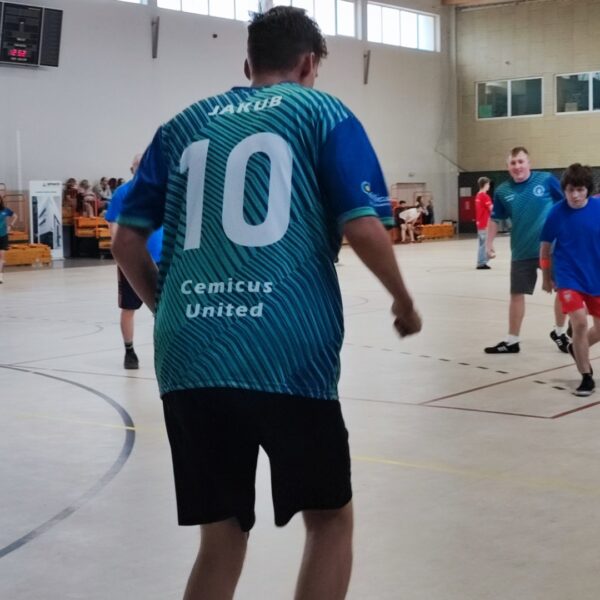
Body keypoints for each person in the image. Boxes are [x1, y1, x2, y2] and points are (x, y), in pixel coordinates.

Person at [112, 7, 422, 600]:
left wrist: (169, 307)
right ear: (308, 64)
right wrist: (403, 301)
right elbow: (361, 225)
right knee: (329, 520)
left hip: (189, 355)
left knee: (220, 538)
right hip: (286, 350)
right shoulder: (323, 113)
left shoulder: (181, 125)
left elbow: (126, 241)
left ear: (247, 64)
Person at [484, 146, 568, 354]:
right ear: (508, 167)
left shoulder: (546, 180)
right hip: (521, 251)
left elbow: (566, 205)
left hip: (552, 250)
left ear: (529, 163)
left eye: (521, 161)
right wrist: (488, 244)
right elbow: (495, 219)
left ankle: (559, 332)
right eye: (513, 163)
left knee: (563, 289)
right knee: (516, 294)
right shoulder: (503, 191)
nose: (517, 166)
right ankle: (512, 341)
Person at [540, 163, 600, 396]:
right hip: (568, 277)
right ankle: (586, 376)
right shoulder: (556, 213)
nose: (575, 195)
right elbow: (545, 248)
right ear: (564, 190)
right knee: (580, 323)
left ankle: (576, 348)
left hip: (595, 276)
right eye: (570, 190)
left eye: (580, 190)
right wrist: (546, 277)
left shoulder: (597, 208)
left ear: (588, 190)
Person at [105, 155, 163, 370]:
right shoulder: (123, 193)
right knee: (129, 307)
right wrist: (121, 255)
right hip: (133, 260)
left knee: (164, 309)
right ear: (133, 169)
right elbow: (112, 224)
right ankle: (129, 351)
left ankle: (163, 348)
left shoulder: (162, 190)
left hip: (162, 258)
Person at [474, 177, 493, 270]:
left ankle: (482, 261)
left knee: (482, 243)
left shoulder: (478, 195)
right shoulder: (485, 196)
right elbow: (491, 209)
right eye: (488, 184)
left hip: (480, 223)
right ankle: (481, 262)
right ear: (485, 184)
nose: (489, 186)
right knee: (484, 244)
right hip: (485, 223)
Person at [0, 191, 17, 284]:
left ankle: (0, 277)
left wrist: (10, 225)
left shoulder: (5, 210)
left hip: (3, 236)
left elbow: (15, 216)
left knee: (2, 257)